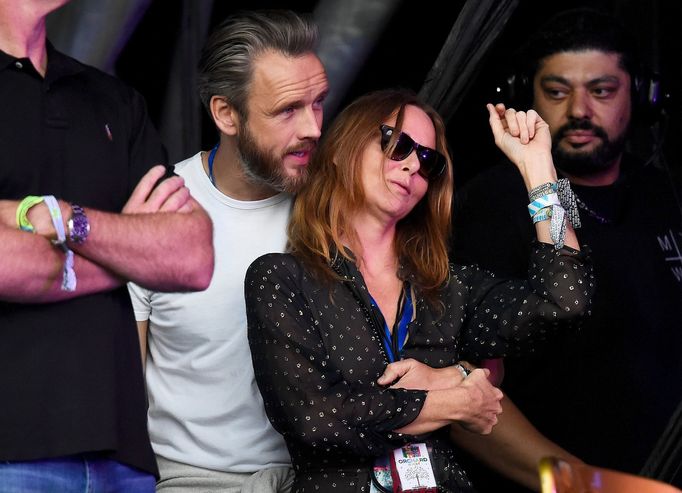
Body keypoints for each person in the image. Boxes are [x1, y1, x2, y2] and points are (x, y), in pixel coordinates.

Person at [244, 88, 594, 493]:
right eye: (397, 145)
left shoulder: (449, 288)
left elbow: (565, 301)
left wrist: (541, 173)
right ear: (341, 149)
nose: (413, 164)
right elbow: (318, 423)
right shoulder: (281, 278)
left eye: (429, 160)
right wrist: (456, 397)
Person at [451, 8, 682, 490]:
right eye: (557, 92)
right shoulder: (495, 202)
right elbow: (460, 380)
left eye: (601, 91)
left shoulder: (663, 193)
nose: (579, 110)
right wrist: (576, 480)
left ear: (640, 95)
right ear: (523, 98)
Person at [0, 1, 214, 491]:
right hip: (11, 452)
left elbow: (192, 256)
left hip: (123, 458)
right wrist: (131, 247)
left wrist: (66, 222)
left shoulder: (113, 100)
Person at [128, 10, 329, 492]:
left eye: (318, 103)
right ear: (226, 113)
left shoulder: (334, 206)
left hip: (321, 473)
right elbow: (121, 386)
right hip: (191, 480)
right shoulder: (159, 210)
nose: (314, 128)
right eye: (287, 110)